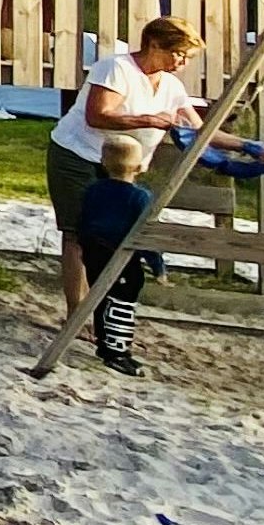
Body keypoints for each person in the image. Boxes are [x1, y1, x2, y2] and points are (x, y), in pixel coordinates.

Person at [48, 16, 202, 319]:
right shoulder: (116, 68)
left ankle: (102, 311)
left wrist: (251, 149)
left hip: (122, 169)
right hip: (79, 155)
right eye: (178, 53)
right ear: (154, 44)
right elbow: (98, 116)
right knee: (78, 234)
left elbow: (199, 129)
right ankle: (76, 314)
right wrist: (150, 119)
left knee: (114, 237)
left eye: (187, 56)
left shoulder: (171, 86)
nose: (182, 62)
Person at [74, 133, 159, 378]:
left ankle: (105, 344)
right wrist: (157, 264)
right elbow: (145, 232)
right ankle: (117, 352)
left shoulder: (93, 190)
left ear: (102, 162)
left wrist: (82, 242)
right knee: (123, 300)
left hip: (93, 250)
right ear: (140, 166)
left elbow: (83, 220)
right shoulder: (139, 196)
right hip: (119, 252)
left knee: (100, 295)